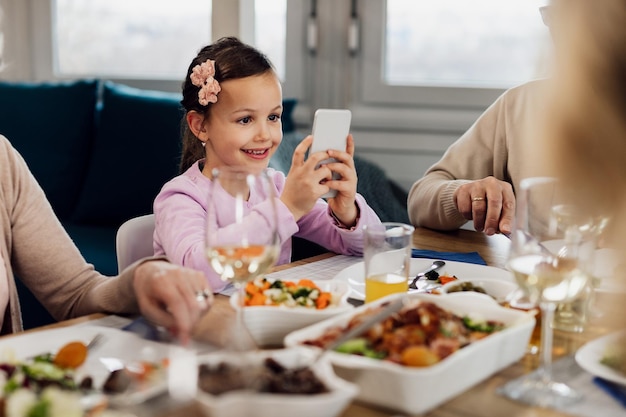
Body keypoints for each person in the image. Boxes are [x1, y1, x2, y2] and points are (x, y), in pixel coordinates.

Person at [153, 37, 381, 293]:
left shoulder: (275, 187)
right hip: (202, 327)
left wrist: (347, 211)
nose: (264, 134)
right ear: (200, 126)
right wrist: (288, 207)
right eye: (245, 119)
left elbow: (373, 247)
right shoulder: (181, 198)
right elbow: (198, 274)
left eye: (273, 117)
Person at [407, 8, 553, 236]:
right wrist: (462, 194)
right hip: (545, 271)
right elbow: (419, 201)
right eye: (554, 16)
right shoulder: (521, 105)